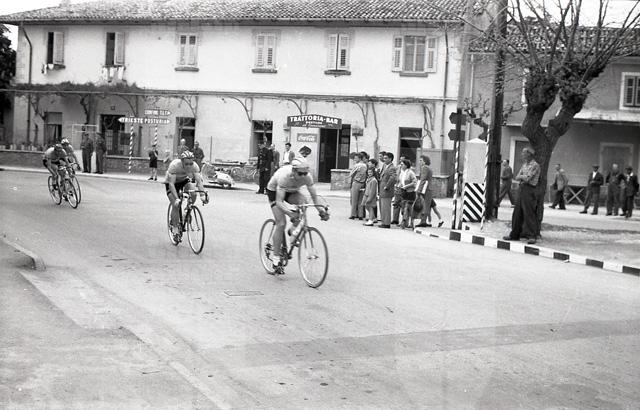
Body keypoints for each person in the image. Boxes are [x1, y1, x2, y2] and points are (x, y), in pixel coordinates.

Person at [266, 157, 330, 269]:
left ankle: (293, 229)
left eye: (305, 173)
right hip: (275, 191)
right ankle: (276, 259)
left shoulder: (307, 177)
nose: (303, 176)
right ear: (294, 171)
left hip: (291, 191)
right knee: (281, 223)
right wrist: (290, 213)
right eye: (300, 174)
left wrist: (321, 210)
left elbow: (314, 197)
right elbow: (279, 202)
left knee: (304, 202)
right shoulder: (284, 177)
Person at [165, 151, 208, 239]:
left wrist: (202, 195)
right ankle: (175, 228)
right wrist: (176, 198)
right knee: (176, 205)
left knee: (193, 192)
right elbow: (171, 184)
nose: (189, 166)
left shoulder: (195, 166)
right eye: (186, 164)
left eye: (190, 163)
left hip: (184, 180)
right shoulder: (174, 165)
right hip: (172, 183)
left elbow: (199, 182)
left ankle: (186, 212)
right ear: (182, 161)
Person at [503, 147, 541, 245]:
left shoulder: (535, 165)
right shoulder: (524, 165)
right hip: (522, 189)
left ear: (529, 154)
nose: (522, 154)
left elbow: (528, 178)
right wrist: (522, 177)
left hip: (530, 190)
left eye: (524, 153)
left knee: (529, 213)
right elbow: (517, 176)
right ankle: (514, 234)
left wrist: (522, 176)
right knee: (517, 213)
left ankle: (531, 236)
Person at [396, 158, 417, 229]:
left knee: (409, 208)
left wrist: (406, 186)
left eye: (402, 164)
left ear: (406, 165)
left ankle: (410, 223)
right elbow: (401, 182)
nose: (401, 165)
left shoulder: (411, 173)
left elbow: (414, 182)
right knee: (403, 208)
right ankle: (405, 222)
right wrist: (398, 186)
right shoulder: (402, 173)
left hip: (410, 192)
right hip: (403, 192)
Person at [378, 152, 397, 228]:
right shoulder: (385, 166)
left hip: (387, 190)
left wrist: (387, 186)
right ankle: (383, 222)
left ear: (390, 159)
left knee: (386, 207)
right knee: (383, 207)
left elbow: (393, 178)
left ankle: (386, 223)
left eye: (386, 158)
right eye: (384, 158)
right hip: (382, 189)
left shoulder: (392, 167)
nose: (384, 159)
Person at [416, 155, 433, 227]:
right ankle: (424, 220)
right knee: (427, 205)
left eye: (421, 160)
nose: (419, 162)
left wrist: (419, 190)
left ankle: (422, 221)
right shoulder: (429, 168)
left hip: (425, 189)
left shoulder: (424, 168)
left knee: (424, 205)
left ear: (425, 161)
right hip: (429, 188)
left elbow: (423, 179)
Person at [348, 152, 367, 220]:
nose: (355, 159)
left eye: (356, 158)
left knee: (354, 200)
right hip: (362, 183)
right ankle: (360, 215)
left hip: (356, 182)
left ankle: (353, 214)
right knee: (360, 200)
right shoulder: (365, 165)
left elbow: (351, 174)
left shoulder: (357, 165)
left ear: (359, 158)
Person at [391, 155, 407, 224]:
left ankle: (404, 221)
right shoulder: (398, 167)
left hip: (404, 188)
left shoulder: (408, 170)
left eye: (403, 160)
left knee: (403, 205)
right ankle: (395, 219)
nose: (401, 161)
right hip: (397, 187)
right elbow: (395, 175)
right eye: (400, 159)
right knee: (396, 204)